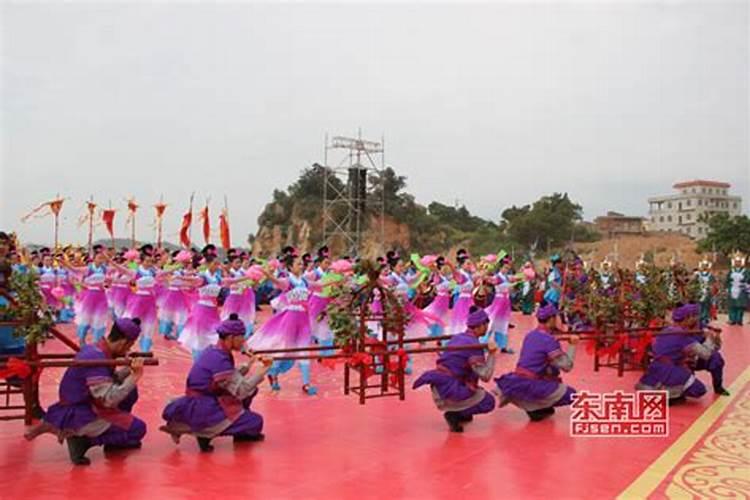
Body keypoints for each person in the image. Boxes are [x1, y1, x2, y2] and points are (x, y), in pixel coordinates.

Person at [25, 318, 147, 465]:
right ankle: (84, 440)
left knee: (130, 390)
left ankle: (109, 433)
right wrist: (135, 375)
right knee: (138, 430)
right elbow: (108, 399)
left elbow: (109, 380)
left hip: (86, 404)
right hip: (81, 412)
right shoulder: (96, 357)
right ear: (123, 342)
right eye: (129, 346)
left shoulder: (96, 349)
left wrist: (129, 370)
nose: (128, 350)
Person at [161, 315, 271, 452]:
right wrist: (264, 369)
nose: (244, 341)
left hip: (204, 398)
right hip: (204, 406)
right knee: (255, 422)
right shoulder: (220, 360)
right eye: (241, 337)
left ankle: (224, 425)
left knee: (251, 392)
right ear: (230, 338)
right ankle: (206, 432)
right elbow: (242, 390)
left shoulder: (214, 351)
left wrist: (249, 364)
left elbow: (230, 376)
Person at [413, 306, 498, 433]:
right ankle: (455, 413)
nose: (487, 327)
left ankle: (460, 411)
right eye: (486, 324)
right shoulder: (474, 345)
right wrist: (492, 354)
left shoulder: (458, 337)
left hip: (439, 384)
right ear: (480, 325)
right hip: (450, 389)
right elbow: (485, 376)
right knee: (489, 402)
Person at [494, 304, 577, 421]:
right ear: (552, 319)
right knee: (572, 395)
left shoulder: (531, 335)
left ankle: (538, 406)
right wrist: (573, 346)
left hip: (518, 379)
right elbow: (567, 367)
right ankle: (535, 407)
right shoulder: (549, 340)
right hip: (532, 382)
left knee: (550, 376)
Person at [636, 303, 728, 403]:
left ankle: (717, 387)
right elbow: (705, 354)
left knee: (716, 358)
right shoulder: (679, 334)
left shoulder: (669, 330)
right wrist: (709, 338)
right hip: (674, 365)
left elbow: (715, 349)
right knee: (699, 389)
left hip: (683, 361)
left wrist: (715, 337)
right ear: (687, 318)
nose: (696, 318)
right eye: (694, 315)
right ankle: (671, 396)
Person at [726, 252, 748, 326]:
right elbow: (727, 280)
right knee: (732, 305)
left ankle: (739, 320)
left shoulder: (746, 271)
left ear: (741, 262)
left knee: (740, 305)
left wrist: (745, 284)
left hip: (741, 289)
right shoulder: (730, 271)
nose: (737, 263)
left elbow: (748, 279)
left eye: (739, 262)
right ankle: (732, 320)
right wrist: (726, 288)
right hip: (732, 289)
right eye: (736, 262)